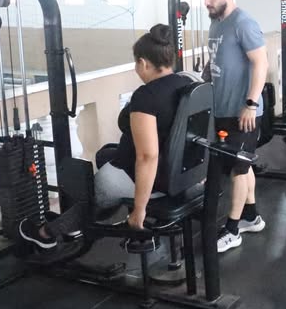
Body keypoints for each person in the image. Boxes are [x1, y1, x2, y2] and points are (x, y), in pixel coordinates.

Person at [19, 24, 193, 248]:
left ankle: (47, 234)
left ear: (143, 63)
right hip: (175, 172)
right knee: (104, 154)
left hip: (151, 179)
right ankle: (82, 219)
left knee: (93, 194)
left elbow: (147, 156)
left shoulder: (146, 96)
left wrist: (139, 211)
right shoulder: (186, 83)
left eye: (136, 64)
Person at [201, 0, 269, 253]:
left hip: (244, 112)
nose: (207, 2)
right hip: (223, 109)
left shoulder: (243, 23)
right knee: (242, 165)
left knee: (238, 171)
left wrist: (251, 104)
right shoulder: (216, 23)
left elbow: (261, 63)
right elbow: (219, 58)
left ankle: (232, 230)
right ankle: (251, 217)